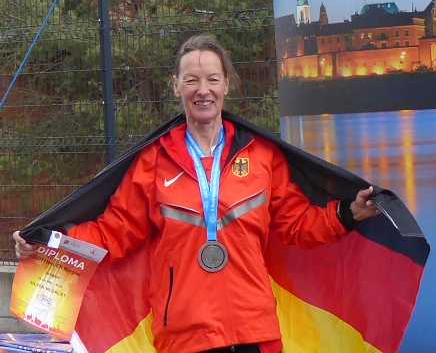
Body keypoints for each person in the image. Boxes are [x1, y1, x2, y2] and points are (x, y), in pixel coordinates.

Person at [13, 34, 379, 353]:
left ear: (226, 86)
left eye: (212, 79)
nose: (202, 90)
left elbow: (296, 224)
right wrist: (46, 241)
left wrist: (347, 213)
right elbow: (114, 232)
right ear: (176, 87)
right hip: (184, 335)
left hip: (253, 331)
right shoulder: (154, 161)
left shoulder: (261, 156)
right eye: (191, 80)